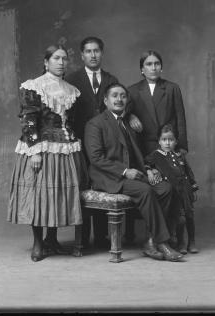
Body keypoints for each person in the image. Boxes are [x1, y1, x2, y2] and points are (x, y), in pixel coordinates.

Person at [84, 82, 184, 261]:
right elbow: (96, 159)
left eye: (123, 96)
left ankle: (151, 240)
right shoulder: (95, 124)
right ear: (106, 101)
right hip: (107, 177)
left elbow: (137, 154)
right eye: (114, 95)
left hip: (132, 174)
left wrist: (148, 169)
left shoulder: (127, 123)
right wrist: (124, 171)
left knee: (165, 188)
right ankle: (163, 242)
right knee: (145, 190)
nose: (119, 99)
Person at [7, 45, 88, 262]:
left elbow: (69, 122)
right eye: (56, 58)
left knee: (57, 195)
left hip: (65, 149)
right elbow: (29, 121)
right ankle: (37, 242)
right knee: (39, 195)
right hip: (41, 148)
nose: (61, 62)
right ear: (46, 62)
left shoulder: (71, 89)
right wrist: (34, 151)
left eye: (64, 58)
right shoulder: (34, 86)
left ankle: (52, 239)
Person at [65, 36, 142, 249]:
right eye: (88, 51)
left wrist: (130, 114)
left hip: (105, 142)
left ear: (102, 54)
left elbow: (121, 101)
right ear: (82, 55)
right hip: (80, 143)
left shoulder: (110, 78)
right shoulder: (72, 79)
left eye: (96, 51)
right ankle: (83, 240)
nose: (93, 55)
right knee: (84, 186)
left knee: (104, 180)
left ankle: (101, 238)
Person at [144, 124, 199, 254]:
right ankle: (180, 242)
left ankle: (192, 241)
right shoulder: (156, 155)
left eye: (170, 139)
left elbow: (188, 172)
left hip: (185, 190)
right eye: (164, 139)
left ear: (175, 141)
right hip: (173, 192)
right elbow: (146, 163)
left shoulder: (179, 155)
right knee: (179, 218)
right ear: (159, 141)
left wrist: (194, 188)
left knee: (189, 215)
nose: (167, 143)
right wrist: (150, 171)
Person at [128, 50, 188, 157]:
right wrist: (130, 117)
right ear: (142, 69)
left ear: (161, 67)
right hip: (143, 147)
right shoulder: (132, 91)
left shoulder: (172, 88)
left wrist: (182, 146)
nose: (154, 68)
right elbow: (123, 114)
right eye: (149, 64)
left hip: (168, 145)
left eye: (157, 64)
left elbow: (180, 119)